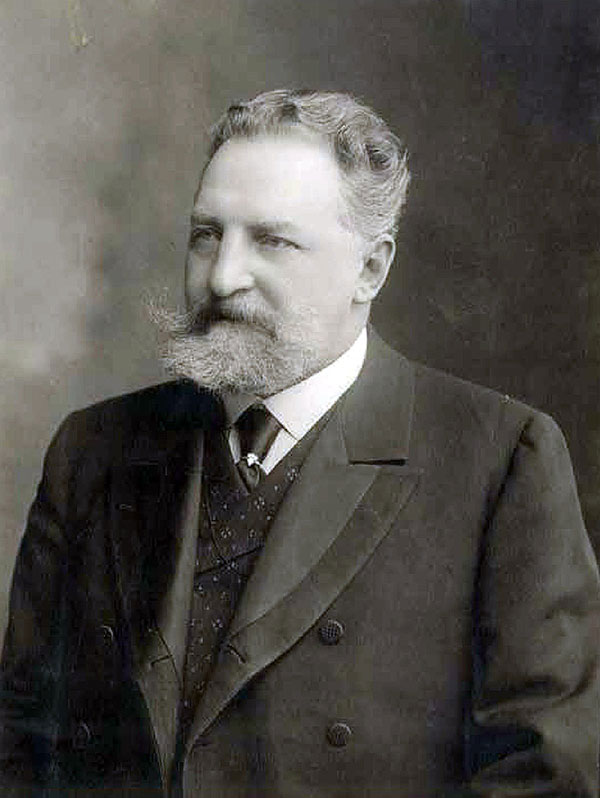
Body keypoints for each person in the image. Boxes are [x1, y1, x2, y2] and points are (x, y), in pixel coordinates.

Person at [1, 89, 599, 798]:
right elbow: (20, 746)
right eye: (206, 235)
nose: (222, 277)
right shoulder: (94, 451)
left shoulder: (501, 462)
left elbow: (543, 777)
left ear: (370, 269)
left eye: (273, 242)